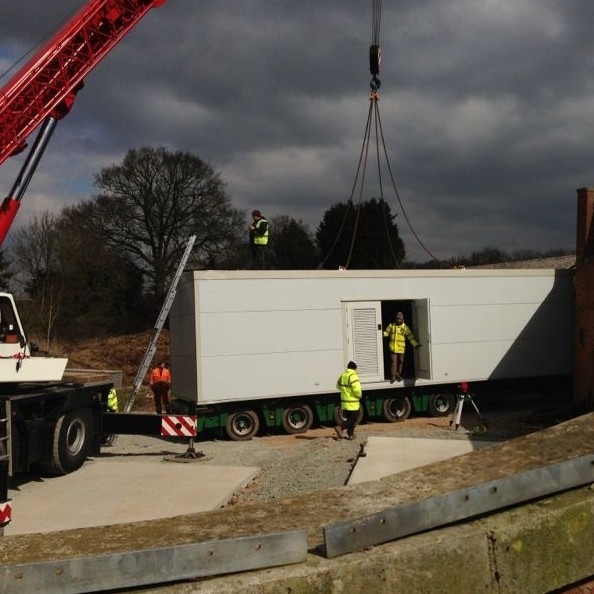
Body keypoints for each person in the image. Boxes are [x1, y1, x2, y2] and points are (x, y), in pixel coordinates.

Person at [383, 312, 420, 383]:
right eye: (397, 318)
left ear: (402, 319)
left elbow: (410, 337)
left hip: (401, 348)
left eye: (400, 318)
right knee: (393, 362)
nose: (399, 319)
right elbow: (386, 333)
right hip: (393, 348)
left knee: (400, 362)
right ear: (396, 318)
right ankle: (393, 377)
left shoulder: (405, 327)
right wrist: (380, 333)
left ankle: (398, 375)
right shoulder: (391, 325)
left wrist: (415, 344)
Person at [335, 361, 363, 440]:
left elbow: (337, 386)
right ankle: (341, 427)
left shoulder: (343, 375)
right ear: (354, 368)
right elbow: (357, 390)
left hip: (344, 402)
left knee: (350, 419)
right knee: (354, 418)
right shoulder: (353, 376)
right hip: (353, 402)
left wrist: (345, 391)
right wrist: (359, 395)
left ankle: (350, 435)